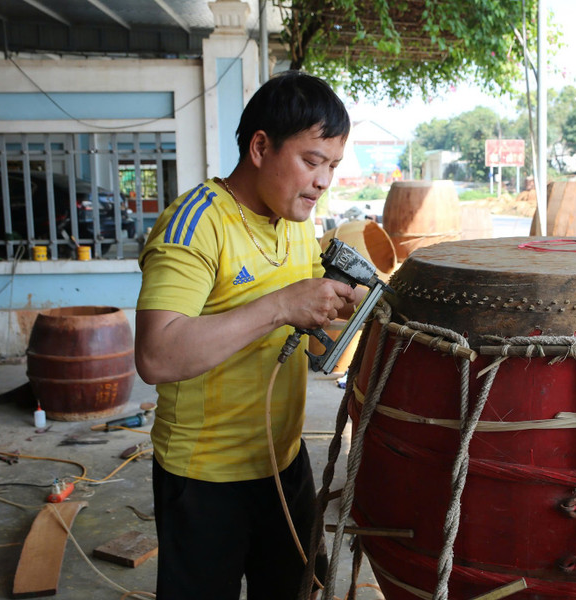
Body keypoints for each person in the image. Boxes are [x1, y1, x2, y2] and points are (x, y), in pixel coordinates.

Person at [134, 70, 362, 600]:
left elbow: (300, 334)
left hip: (283, 460)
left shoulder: (297, 222)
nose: (323, 181)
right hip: (204, 478)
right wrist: (283, 304)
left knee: (296, 588)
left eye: (332, 165)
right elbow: (157, 355)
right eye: (311, 161)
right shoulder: (194, 226)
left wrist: (333, 312)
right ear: (261, 146)